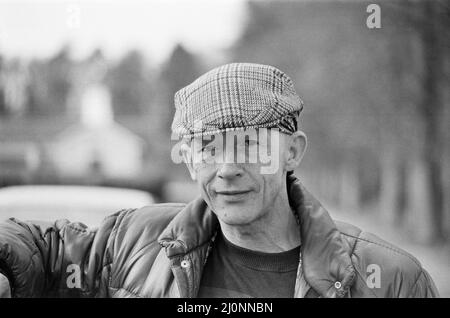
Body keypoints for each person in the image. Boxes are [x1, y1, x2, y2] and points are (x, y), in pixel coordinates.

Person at [0, 63, 439, 298]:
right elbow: (44, 248)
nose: (226, 167)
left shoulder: (392, 281)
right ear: (190, 161)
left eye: (249, 145)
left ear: (293, 152)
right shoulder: (134, 245)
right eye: (208, 146)